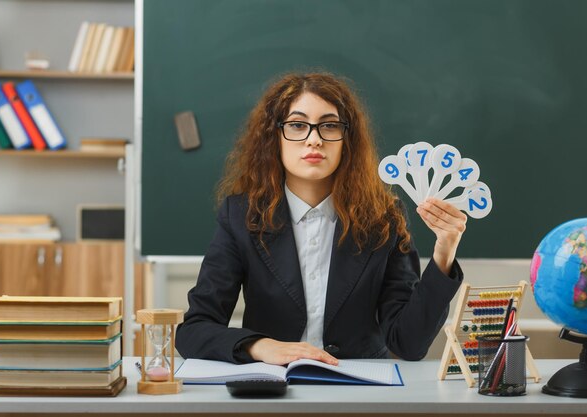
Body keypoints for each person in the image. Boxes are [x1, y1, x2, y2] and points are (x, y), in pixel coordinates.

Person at [175, 72, 467, 366]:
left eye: (329, 126)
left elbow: (409, 343)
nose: (314, 140)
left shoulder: (383, 218)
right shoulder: (240, 215)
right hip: (273, 390)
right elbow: (194, 331)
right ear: (274, 136)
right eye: (297, 125)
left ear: (347, 140)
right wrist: (260, 347)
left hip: (360, 392)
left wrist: (444, 253)